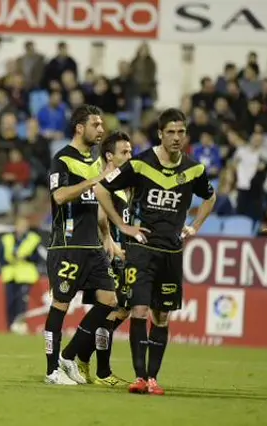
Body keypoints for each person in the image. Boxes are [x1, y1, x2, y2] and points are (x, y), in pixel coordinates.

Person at [95, 108, 216, 395]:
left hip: (172, 251)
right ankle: (139, 377)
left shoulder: (194, 170)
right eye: (170, 132)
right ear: (160, 134)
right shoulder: (139, 165)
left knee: (161, 317)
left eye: (181, 132)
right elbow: (101, 188)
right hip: (141, 249)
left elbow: (210, 197)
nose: (176, 137)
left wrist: (195, 225)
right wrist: (122, 226)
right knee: (138, 309)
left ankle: (152, 378)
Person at [43, 104, 119, 385]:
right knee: (60, 305)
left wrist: (108, 236)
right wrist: (95, 179)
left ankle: (69, 354)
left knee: (109, 301)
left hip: (93, 247)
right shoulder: (62, 159)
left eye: (101, 125)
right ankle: (52, 370)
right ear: (80, 128)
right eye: (96, 125)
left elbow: (98, 204)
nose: (101, 130)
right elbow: (60, 196)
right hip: (67, 245)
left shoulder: (96, 161)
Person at [76, 131, 133, 386]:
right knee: (112, 309)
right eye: (124, 152)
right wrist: (108, 239)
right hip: (108, 254)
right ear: (110, 155)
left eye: (130, 151)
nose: (129, 156)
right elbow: (100, 214)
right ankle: (102, 372)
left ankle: (82, 357)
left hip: (123, 253)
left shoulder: (125, 181)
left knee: (120, 309)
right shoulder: (106, 180)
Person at [0, 216, 41, 333]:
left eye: (24, 226)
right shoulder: (7, 239)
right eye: (20, 226)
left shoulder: (33, 239)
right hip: (10, 275)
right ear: (16, 227)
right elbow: (1, 257)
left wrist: (26, 257)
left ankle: (21, 324)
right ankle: (10, 325)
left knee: (22, 301)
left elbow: (36, 258)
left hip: (26, 275)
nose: (22, 228)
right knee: (10, 301)